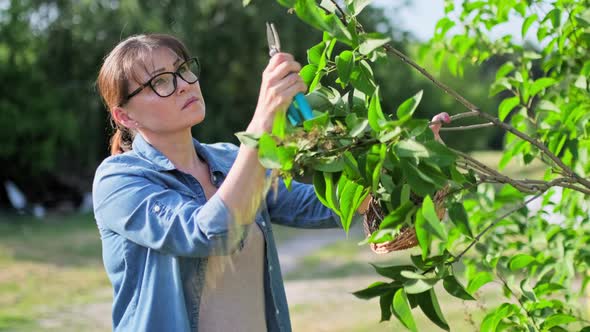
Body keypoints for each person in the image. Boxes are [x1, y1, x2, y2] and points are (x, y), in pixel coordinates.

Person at [93, 33, 369, 332]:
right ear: (125, 116)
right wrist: (261, 127)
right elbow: (206, 234)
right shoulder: (118, 180)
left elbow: (321, 205)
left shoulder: (228, 159)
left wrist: (401, 163)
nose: (184, 83)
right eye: (160, 81)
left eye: (183, 68)